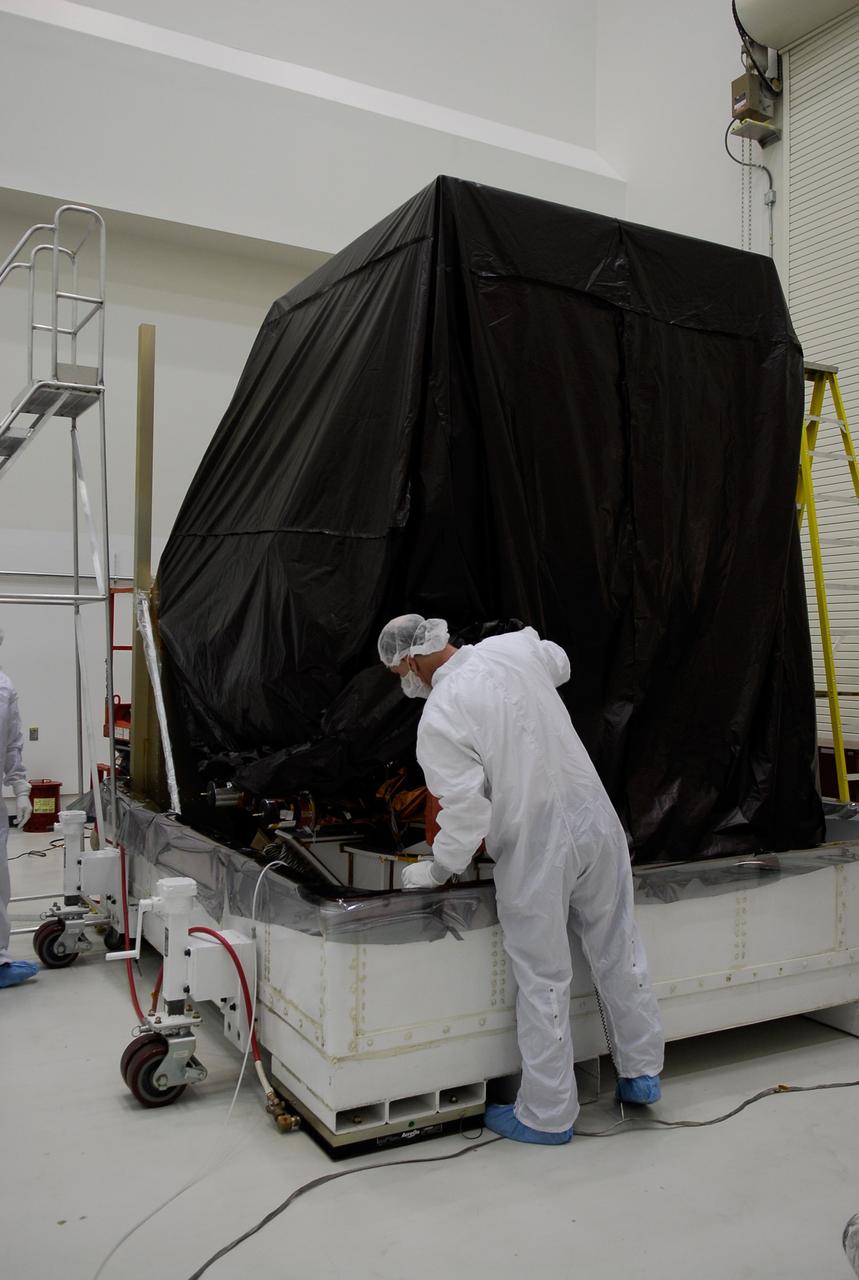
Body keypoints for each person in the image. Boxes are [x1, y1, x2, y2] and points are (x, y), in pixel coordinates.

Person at [378, 613, 664, 1145]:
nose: (404, 684)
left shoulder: (440, 714)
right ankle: (642, 1072)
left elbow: (463, 814)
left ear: (411, 660)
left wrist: (439, 868)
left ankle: (548, 1114)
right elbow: (560, 661)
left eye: (399, 673)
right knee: (619, 947)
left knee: (543, 976)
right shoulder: (511, 648)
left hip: (537, 843)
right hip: (596, 821)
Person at [0, 628, 37, 988]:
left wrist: (20, 788)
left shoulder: (4, 687)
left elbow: (12, 744)